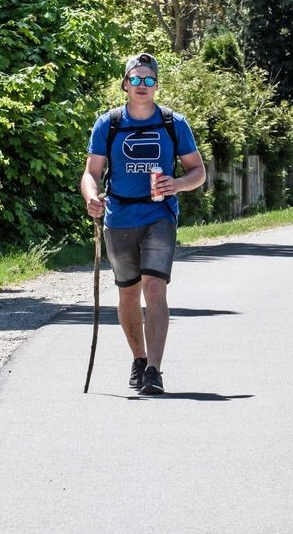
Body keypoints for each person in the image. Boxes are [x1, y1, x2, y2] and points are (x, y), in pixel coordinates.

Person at [80, 53, 206, 395]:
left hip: (159, 216)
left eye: (149, 80)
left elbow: (198, 171)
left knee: (155, 289)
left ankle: (154, 370)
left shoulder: (172, 123)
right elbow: (91, 174)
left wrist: (177, 184)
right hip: (119, 217)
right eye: (135, 79)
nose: (142, 86)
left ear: (156, 86)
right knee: (129, 293)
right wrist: (92, 197)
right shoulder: (109, 123)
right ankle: (138, 358)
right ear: (125, 84)